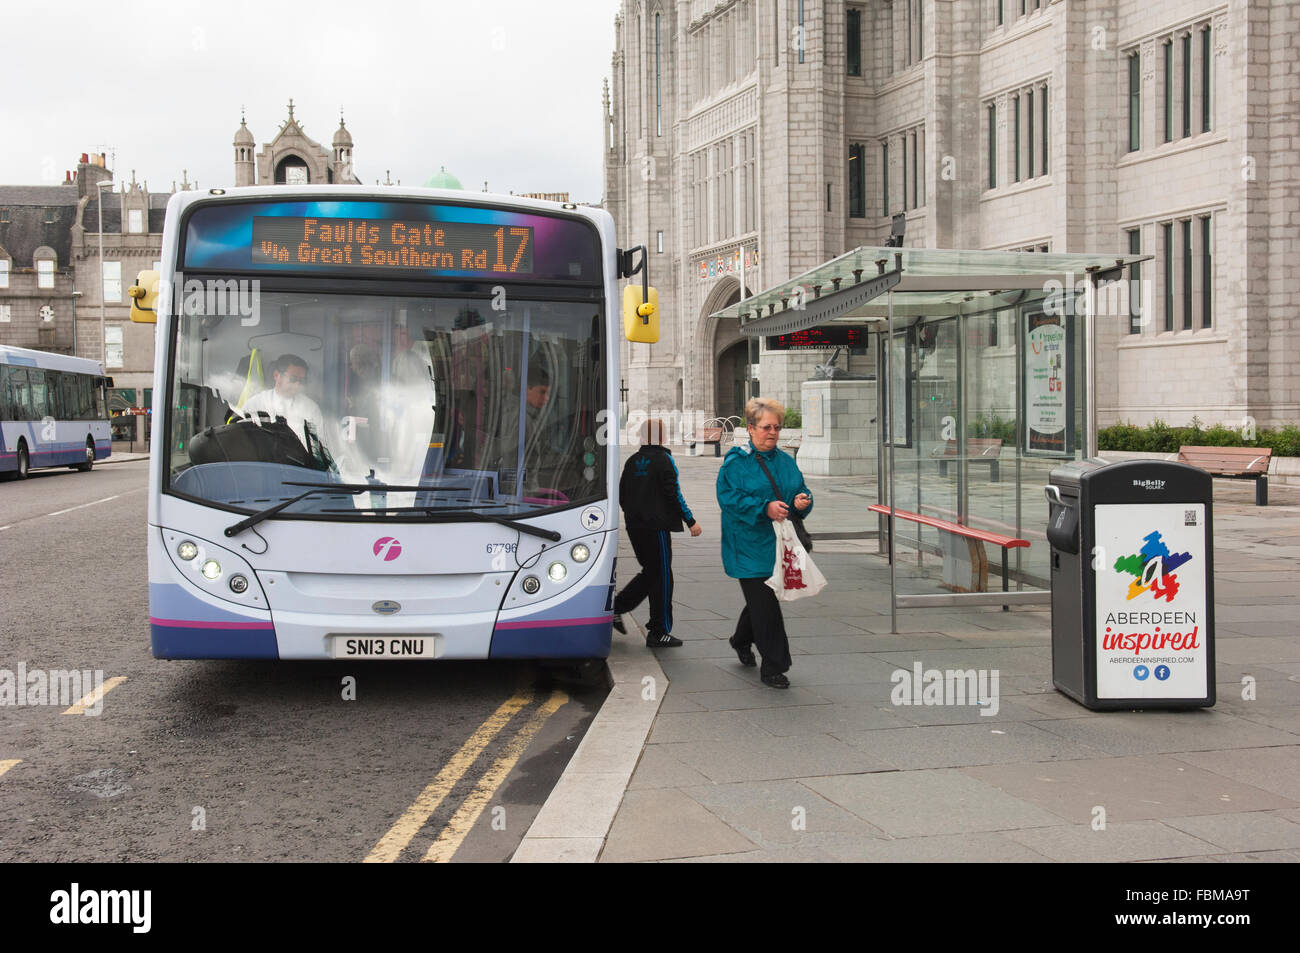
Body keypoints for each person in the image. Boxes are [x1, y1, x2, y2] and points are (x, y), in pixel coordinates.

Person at [716, 397, 813, 688]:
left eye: (777, 427)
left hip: (778, 546)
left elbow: (801, 491)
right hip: (746, 546)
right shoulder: (736, 462)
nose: (772, 432)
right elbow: (729, 499)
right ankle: (774, 667)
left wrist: (801, 502)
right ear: (750, 428)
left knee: (761, 601)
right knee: (766, 606)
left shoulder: (785, 461)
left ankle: (741, 639)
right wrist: (764, 508)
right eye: (766, 427)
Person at [613, 418, 702, 648]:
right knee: (662, 575)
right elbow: (674, 494)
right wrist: (691, 521)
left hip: (635, 526)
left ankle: (618, 608)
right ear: (662, 437)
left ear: (642, 437)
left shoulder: (632, 462)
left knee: (651, 572)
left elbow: (622, 494)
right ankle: (658, 630)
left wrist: (635, 515)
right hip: (656, 528)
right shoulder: (664, 460)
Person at [240, 353, 326, 453]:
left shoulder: (311, 409)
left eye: (301, 381)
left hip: (300, 467)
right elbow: (242, 441)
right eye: (293, 379)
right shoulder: (255, 404)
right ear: (277, 375)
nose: (297, 384)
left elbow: (320, 447)